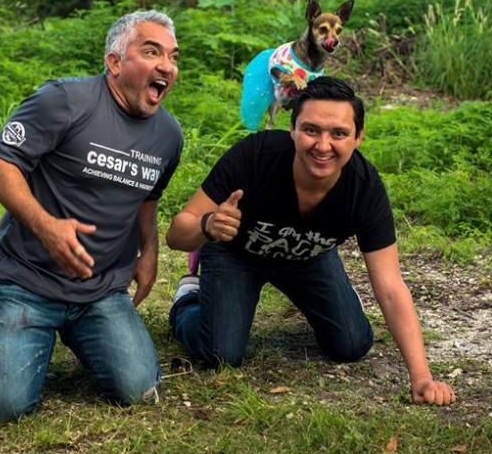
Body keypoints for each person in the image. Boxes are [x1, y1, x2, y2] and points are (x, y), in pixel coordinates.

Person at [166, 76, 454, 405]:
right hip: (235, 253)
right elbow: (176, 233)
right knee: (221, 354)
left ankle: (339, 304)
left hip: (308, 256)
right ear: (292, 129)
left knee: (352, 345)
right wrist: (208, 225)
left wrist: (422, 377)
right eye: (311, 130)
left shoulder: (364, 188)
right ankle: (188, 299)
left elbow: (390, 286)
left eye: (338, 133)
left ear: (358, 137)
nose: (323, 145)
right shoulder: (255, 155)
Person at [0, 10, 183, 422]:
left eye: (173, 57)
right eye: (152, 52)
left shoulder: (168, 136)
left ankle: (82, 331)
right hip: (27, 281)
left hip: (100, 290)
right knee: (3, 408)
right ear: (115, 62)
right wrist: (47, 227)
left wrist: (149, 252)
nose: (166, 66)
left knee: (139, 389)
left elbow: (148, 198)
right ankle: (33, 332)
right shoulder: (64, 101)